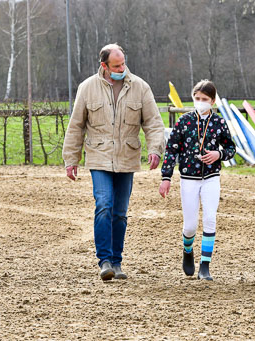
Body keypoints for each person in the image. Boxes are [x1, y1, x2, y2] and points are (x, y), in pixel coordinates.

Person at [62, 43, 165, 281]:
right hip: (99, 157)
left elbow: (153, 122)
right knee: (104, 204)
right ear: (104, 66)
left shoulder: (140, 87)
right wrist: (71, 159)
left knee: (119, 212)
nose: (122, 68)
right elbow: (76, 125)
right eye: (116, 65)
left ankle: (117, 262)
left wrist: (155, 149)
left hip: (127, 158)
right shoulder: (87, 88)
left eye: (123, 63)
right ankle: (104, 261)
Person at [158, 80, 236, 281]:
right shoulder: (184, 121)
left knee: (210, 218)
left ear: (212, 101)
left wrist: (218, 154)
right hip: (188, 177)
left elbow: (230, 148)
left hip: (211, 177)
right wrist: (166, 177)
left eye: (205, 99)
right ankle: (187, 250)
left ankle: (205, 266)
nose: (201, 102)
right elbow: (171, 149)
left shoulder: (218, 122)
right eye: (198, 99)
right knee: (190, 225)